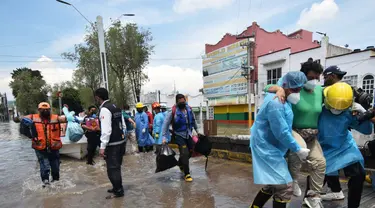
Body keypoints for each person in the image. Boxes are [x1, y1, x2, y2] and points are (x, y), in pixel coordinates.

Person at [265, 61, 325, 208]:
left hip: (312, 135)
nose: (314, 81)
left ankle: (313, 196)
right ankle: (293, 180)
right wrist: (279, 89)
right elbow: (267, 87)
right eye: (311, 77)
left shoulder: (319, 91)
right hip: (294, 131)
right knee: (298, 152)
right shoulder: (294, 89)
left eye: (317, 78)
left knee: (320, 163)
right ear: (303, 76)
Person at [250, 72, 310, 208]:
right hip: (265, 146)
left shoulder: (283, 94)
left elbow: (270, 87)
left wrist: (280, 89)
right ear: (286, 86)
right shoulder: (276, 102)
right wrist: (297, 149)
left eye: (299, 90)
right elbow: (281, 132)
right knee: (285, 186)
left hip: (271, 144)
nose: (297, 93)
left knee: (273, 183)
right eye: (295, 89)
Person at [318, 82, 374, 208]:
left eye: (341, 107)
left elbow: (366, 130)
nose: (337, 108)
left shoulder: (349, 112)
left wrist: (364, 112)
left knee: (359, 175)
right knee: (314, 185)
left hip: (344, 147)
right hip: (323, 148)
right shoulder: (318, 111)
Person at [15, 102, 66, 187]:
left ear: (50, 110)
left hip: (54, 147)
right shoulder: (32, 117)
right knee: (45, 166)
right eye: (43, 109)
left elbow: (65, 119)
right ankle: (45, 184)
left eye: (47, 109)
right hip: (40, 147)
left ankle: (56, 184)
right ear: (39, 110)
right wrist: (19, 119)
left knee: (56, 168)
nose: (45, 111)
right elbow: (16, 119)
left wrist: (71, 117)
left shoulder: (56, 118)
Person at [95, 88, 126, 199]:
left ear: (98, 97)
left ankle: (118, 191)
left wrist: (102, 146)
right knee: (116, 167)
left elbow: (106, 130)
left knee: (112, 168)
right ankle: (116, 187)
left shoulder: (104, 109)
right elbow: (123, 125)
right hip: (121, 141)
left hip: (113, 144)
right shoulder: (115, 106)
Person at [162, 94, 198, 182]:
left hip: (188, 134)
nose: (182, 103)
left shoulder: (189, 109)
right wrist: (163, 136)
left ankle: (180, 163)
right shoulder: (173, 111)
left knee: (191, 151)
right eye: (180, 102)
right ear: (177, 102)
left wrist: (197, 130)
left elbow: (193, 120)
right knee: (184, 153)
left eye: (183, 101)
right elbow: (165, 124)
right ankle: (187, 173)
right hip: (178, 135)